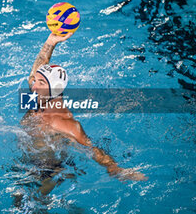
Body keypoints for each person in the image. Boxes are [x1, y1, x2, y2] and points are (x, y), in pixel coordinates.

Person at [20, 32, 147, 196]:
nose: (33, 86)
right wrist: (51, 42)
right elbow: (39, 66)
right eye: (35, 81)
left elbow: (92, 149)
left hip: (48, 169)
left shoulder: (65, 123)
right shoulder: (38, 96)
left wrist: (114, 168)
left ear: (55, 90)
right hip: (24, 160)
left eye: (40, 82)